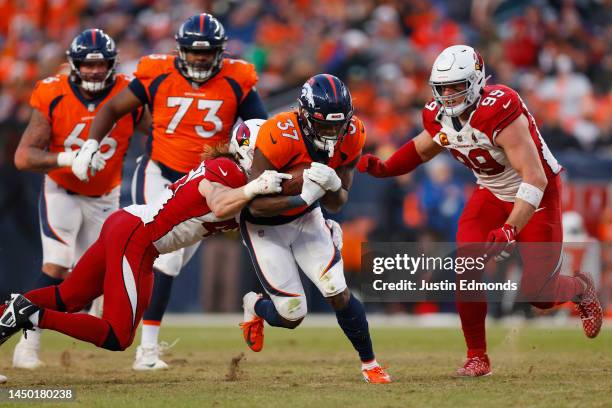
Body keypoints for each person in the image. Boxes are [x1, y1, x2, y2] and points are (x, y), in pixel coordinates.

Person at [357, 45, 603, 377]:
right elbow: (424, 146)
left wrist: (511, 228)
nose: (447, 94)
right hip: (489, 192)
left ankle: (580, 287)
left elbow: (535, 176)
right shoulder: (439, 114)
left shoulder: (498, 107)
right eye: (442, 87)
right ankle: (477, 357)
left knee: (539, 295)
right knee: (466, 267)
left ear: (474, 82)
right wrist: (386, 168)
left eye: (456, 85)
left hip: (536, 194)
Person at [77, 13, 268, 369]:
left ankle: (107, 287)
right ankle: (145, 348)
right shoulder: (158, 72)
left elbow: (262, 128)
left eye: (206, 52)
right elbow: (114, 107)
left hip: (203, 184)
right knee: (161, 254)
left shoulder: (237, 80)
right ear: (180, 51)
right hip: (158, 172)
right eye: (193, 53)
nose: (198, 59)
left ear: (220, 52)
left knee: (170, 262)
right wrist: (90, 144)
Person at [0, 120, 289, 353]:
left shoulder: (237, 174)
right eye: (268, 152)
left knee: (67, 297)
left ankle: (10, 311)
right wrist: (253, 189)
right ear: (248, 149)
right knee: (117, 335)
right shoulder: (229, 171)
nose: (273, 160)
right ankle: (30, 313)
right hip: (136, 237)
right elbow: (219, 202)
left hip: (130, 230)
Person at [238, 74, 391, 384]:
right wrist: (303, 195)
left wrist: (334, 185)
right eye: (324, 125)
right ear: (304, 115)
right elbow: (254, 205)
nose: (333, 132)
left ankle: (370, 363)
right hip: (266, 226)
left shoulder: (353, 134)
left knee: (337, 290)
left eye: (338, 124)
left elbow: (337, 202)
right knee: (292, 314)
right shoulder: (277, 135)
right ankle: (253, 304)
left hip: (308, 218)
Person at [11, 29, 150, 369]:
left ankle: (141, 345)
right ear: (73, 65)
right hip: (62, 190)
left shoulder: (125, 92)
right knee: (56, 266)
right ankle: (26, 344)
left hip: (106, 196)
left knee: (93, 281)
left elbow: (161, 132)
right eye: (86, 65)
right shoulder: (53, 92)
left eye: (100, 64)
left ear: (111, 65)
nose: (92, 71)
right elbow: (24, 156)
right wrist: (67, 159)